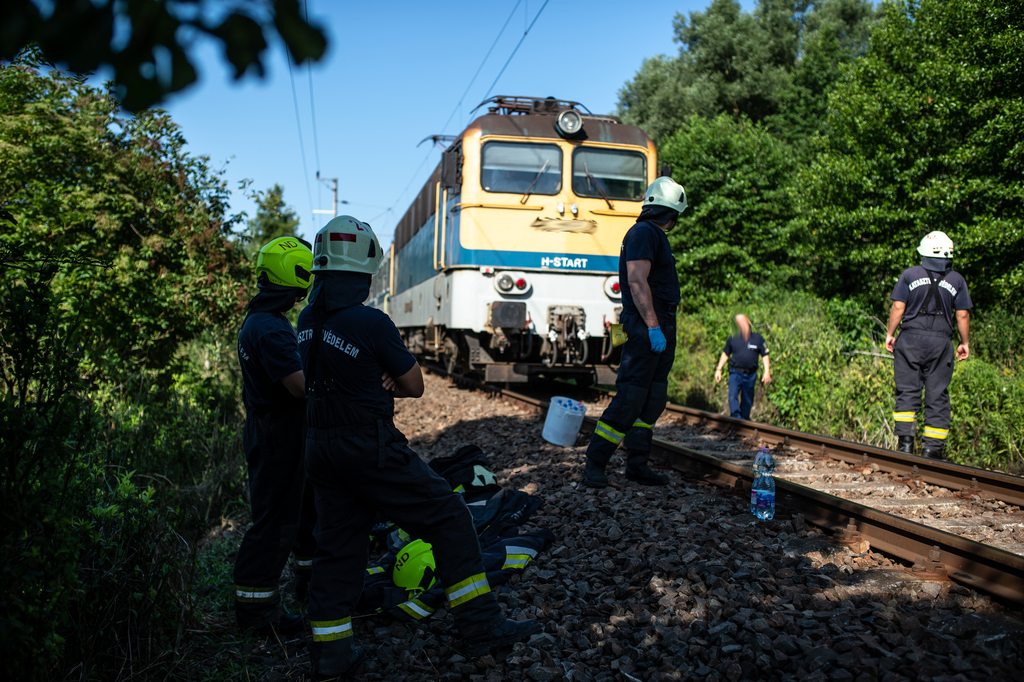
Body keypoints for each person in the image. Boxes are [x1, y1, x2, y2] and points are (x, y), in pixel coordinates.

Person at [297, 216, 539, 679]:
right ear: (364, 273)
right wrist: (384, 375)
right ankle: (482, 627)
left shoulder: (306, 319)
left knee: (338, 547)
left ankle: (330, 657)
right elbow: (414, 384)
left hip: (320, 450)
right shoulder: (371, 322)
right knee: (449, 518)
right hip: (370, 448)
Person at [234, 237, 318, 636]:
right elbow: (301, 387)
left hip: (274, 431)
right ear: (297, 279)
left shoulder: (262, 318)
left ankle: (307, 581)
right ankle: (257, 613)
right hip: (277, 435)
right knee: (274, 523)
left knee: (301, 513)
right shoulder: (271, 329)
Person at [583, 177, 688, 489]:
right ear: (673, 214)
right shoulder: (643, 233)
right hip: (646, 325)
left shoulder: (651, 234)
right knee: (631, 397)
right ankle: (595, 463)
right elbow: (637, 281)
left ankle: (637, 465)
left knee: (653, 398)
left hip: (660, 323)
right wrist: (653, 326)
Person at [885, 231, 972, 460]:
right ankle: (932, 451)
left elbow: (897, 308)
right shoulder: (957, 280)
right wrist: (965, 342)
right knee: (937, 394)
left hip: (910, 339)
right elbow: (962, 315)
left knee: (907, 390)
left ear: (923, 251)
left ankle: (905, 445)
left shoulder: (909, 275)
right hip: (941, 342)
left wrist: (890, 334)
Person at [714, 314, 771, 420]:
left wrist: (767, 371)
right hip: (735, 373)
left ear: (748, 322)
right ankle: (736, 418)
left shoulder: (758, 339)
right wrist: (719, 369)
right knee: (732, 396)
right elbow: (725, 354)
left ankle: (744, 420)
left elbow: (765, 355)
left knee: (747, 400)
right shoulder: (733, 338)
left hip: (750, 375)